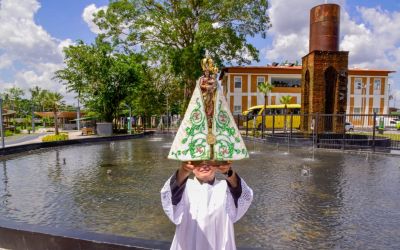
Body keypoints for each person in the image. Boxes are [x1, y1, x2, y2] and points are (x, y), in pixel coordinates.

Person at [161, 161, 253, 250]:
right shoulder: (184, 187)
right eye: (199, 162)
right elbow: (170, 197)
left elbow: (245, 196)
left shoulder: (226, 187)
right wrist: (183, 170)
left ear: (216, 165)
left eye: (209, 162)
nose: (204, 166)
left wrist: (228, 171)